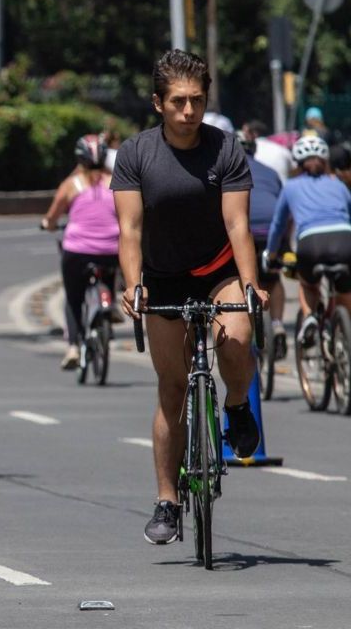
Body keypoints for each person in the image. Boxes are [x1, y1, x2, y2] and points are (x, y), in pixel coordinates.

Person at [110, 50, 266, 546]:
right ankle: (166, 500)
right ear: (158, 103)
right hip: (163, 276)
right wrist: (134, 285)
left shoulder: (225, 149)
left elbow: (238, 224)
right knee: (172, 389)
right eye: (178, 102)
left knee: (237, 339)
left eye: (197, 101)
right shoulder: (136, 154)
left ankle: (237, 405)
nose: (188, 111)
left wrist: (249, 284)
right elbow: (130, 230)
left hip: (217, 270)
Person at [40, 135, 119, 370]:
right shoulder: (117, 182)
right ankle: (110, 303)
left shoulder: (71, 185)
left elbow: (52, 217)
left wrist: (48, 224)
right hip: (111, 249)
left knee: (73, 298)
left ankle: (73, 346)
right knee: (112, 271)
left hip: (77, 251)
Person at [266, 136, 351, 331]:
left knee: (308, 284)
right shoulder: (338, 185)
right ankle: (344, 333)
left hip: (311, 243)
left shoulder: (291, 187)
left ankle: (309, 317)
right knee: (345, 291)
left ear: (298, 162)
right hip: (345, 239)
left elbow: (278, 225)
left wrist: (271, 254)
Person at [241, 129, 287, 356]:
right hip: (271, 230)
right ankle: (277, 324)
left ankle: (247, 327)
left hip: (245, 230)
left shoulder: (224, 171)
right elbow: (281, 206)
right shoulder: (270, 172)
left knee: (241, 279)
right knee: (273, 278)